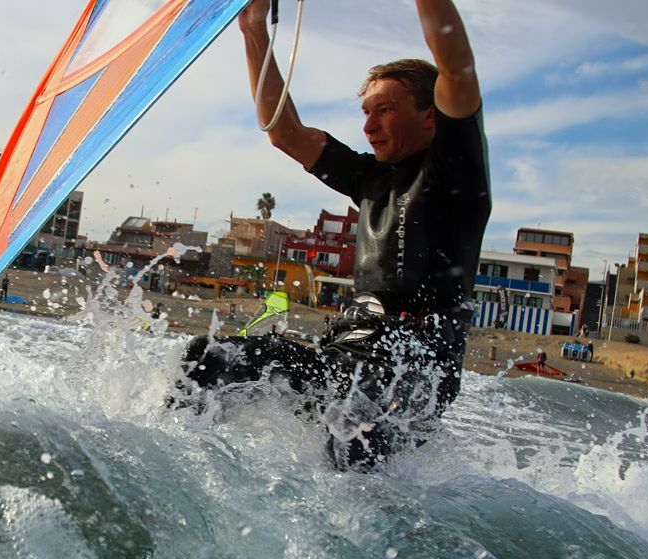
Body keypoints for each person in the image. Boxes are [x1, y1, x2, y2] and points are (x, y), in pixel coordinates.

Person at [178, 0, 490, 470]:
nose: (368, 125)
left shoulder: (454, 171)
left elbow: (457, 67)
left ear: (431, 115)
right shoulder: (369, 179)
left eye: (384, 110)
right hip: (345, 352)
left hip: (415, 366)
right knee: (208, 359)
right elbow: (283, 131)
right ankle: (175, 468)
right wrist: (253, 29)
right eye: (365, 112)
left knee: (350, 435)